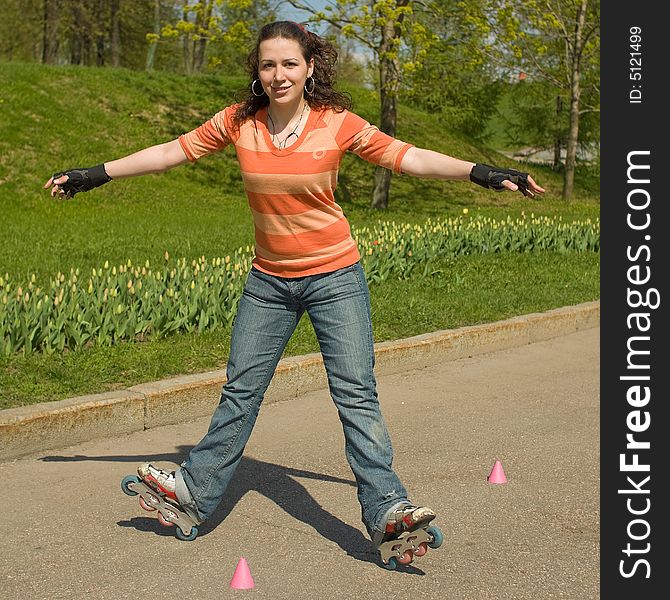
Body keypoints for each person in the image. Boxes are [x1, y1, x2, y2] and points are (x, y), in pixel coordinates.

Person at [44, 21, 544, 561]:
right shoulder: (240, 123)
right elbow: (171, 151)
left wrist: (484, 172)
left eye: (289, 64)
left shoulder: (336, 124)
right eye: (267, 65)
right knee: (241, 390)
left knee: (355, 393)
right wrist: (96, 173)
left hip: (335, 277)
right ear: (257, 73)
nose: (278, 75)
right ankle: (193, 492)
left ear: (310, 68)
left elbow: (409, 156)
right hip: (269, 282)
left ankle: (387, 511)